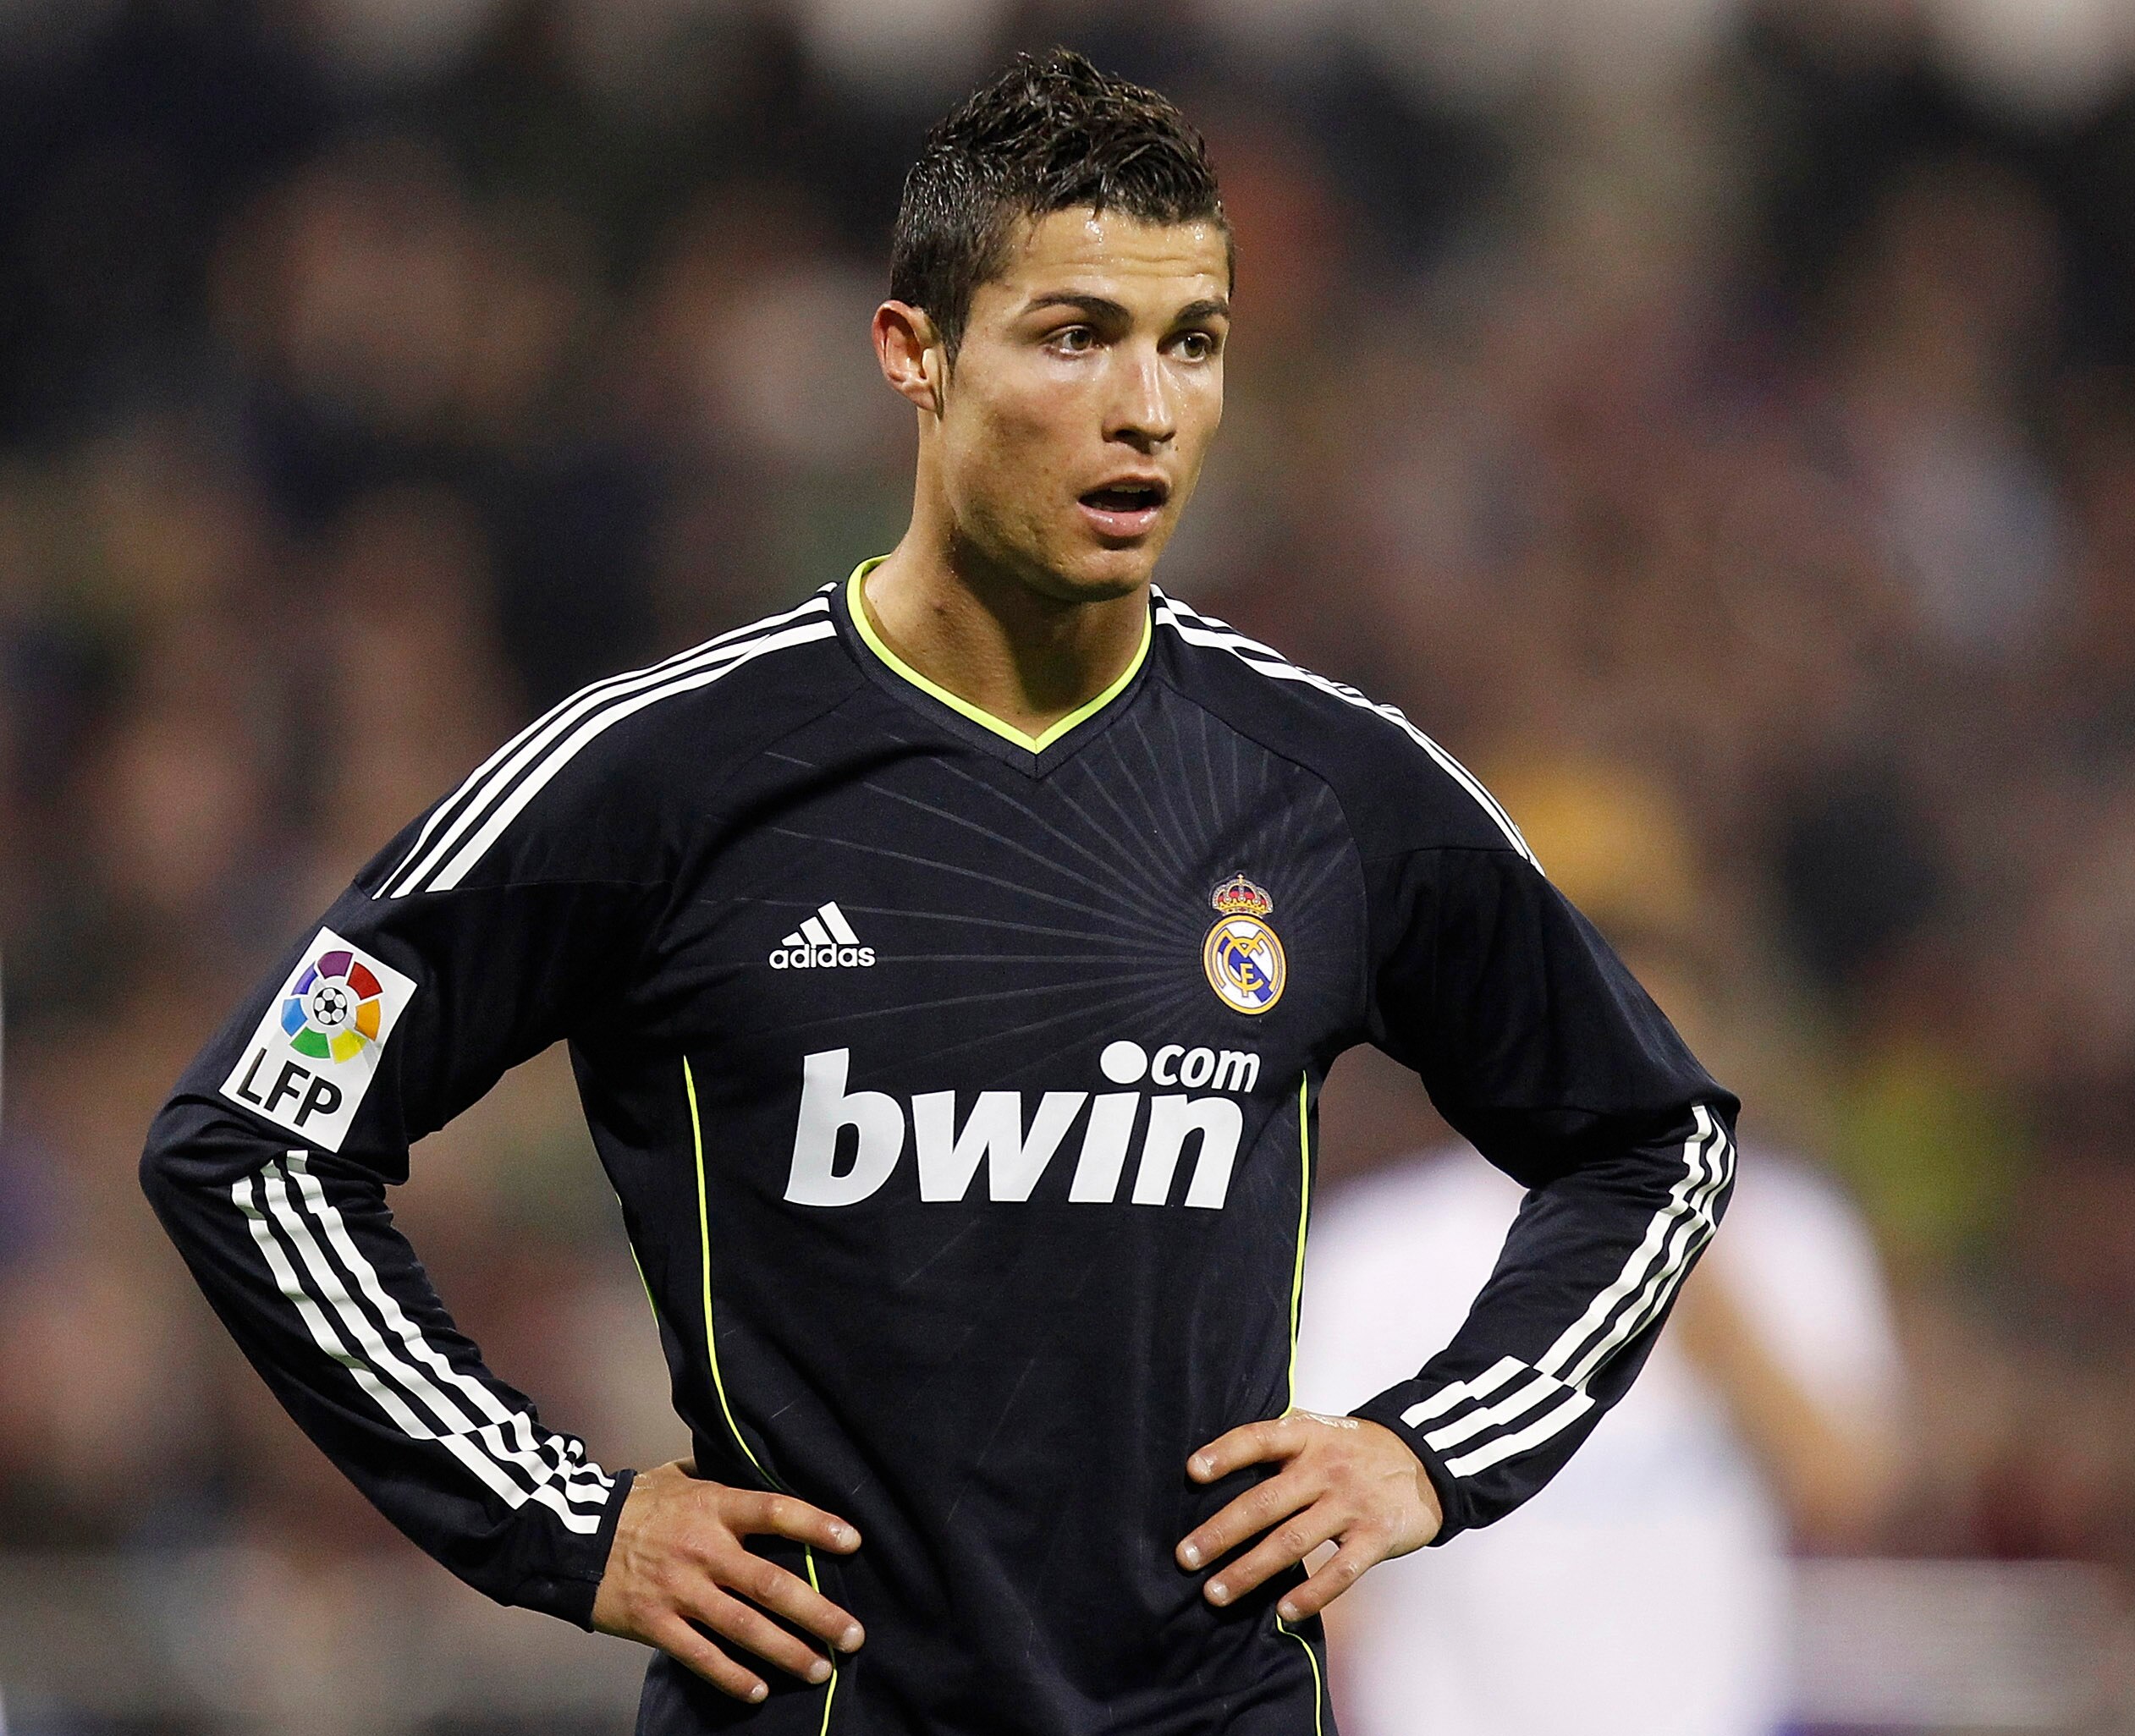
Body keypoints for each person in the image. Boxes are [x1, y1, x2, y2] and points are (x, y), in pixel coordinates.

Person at [138, 51, 1736, 1736]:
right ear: (913, 352)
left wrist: (1429, 1453)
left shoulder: (1333, 788)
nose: (1148, 408)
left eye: (1192, 343)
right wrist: (566, 1519)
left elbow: (1652, 1139)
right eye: (1075, 337)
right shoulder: (659, 775)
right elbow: (255, 1138)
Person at [1297, 759, 1901, 1736]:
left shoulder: (1788, 1229)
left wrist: (1671, 1243)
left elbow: (1849, 1488)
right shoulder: (1377, 1252)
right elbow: (1323, 1562)